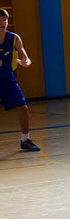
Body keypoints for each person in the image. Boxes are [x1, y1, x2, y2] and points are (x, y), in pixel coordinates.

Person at [0, 9, 39, 152]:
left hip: (7, 77)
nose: (2, 23)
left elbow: (25, 57)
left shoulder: (14, 38)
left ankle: (25, 140)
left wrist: (26, 62)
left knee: (23, 107)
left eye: (4, 20)